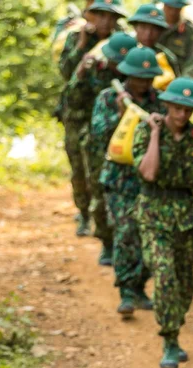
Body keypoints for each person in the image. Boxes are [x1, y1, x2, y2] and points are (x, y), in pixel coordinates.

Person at [132, 76, 193, 368]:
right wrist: (154, 135)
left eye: (188, 109)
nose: (182, 114)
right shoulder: (145, 131)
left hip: (185, 215)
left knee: (184, 282)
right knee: (164, 274)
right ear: (167, 105)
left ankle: (175, 324)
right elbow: (148, 173)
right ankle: (170, 339)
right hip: (153, 212)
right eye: (177, 108)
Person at [90, 46, 164, 317]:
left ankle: (140, 286)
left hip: (149, 182)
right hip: (119, 181)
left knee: (148, 236)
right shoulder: (109, 98)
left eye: (148, 78)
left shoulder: (160, 101)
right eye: (138, 78)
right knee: (125, 234)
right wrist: (121, 115)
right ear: (127, 75)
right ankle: (126, 291)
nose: (144, 83)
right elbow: (99, 135)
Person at [65, 16, 131, 266]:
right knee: (99, 194)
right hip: (98, 143)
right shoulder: (95, 71)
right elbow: (72, 99)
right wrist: (80, 74)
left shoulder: (139, 78)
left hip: (129, 146)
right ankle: (106, 242)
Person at [56, 0, 125, 238]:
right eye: (100, 15)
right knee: (79, 168)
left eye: (110, 17)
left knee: (102, 168)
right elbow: (65, 72)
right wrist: (82, 47)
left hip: (108, 116)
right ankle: (84, 213)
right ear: (91, 16)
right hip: (78, 114)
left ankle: (106, 218)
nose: (105, 21)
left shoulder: (121, 41)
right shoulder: (76, 37)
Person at [128, 4, 179, 75]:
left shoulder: (166, 58)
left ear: (161, 32)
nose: (148, 34)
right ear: (135, 27)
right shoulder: (125, 50)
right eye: (143, 27)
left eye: (154, 29)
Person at [158, 0, 193, 79]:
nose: (173, 12)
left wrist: (181, 86)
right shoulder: (153, 24)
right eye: (169, 8)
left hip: (176, 83)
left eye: (177, 9)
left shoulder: (190, 31)